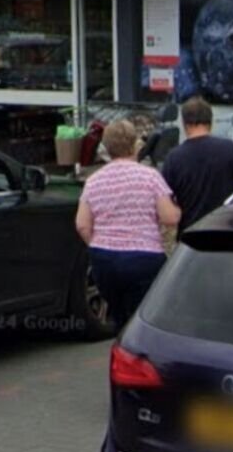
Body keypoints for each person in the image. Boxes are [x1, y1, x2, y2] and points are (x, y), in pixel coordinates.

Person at [75, 120, 182, 327]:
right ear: (135, 144)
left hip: (104, 259)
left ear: (105, 148)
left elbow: (82, 224)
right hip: (143, 258)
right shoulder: (150, 177)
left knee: (120, 317)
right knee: (143, 319)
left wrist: (99, 244)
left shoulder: (93, 181)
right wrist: (178, 208)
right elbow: (170, 218)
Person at [162, 97, 233, 232]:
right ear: (210, 121)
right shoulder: (229, 148)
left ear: (185, 123)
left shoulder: (174, 157)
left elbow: (164, 198)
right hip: (226, 230)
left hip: (191, 236)